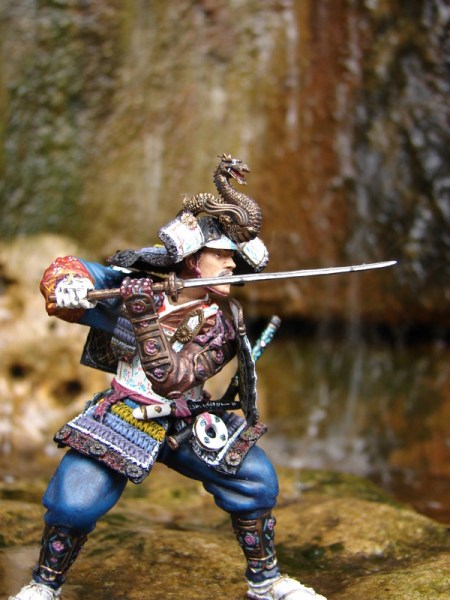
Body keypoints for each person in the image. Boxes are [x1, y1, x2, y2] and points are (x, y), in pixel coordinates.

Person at [10, 156, 327, 600]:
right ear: (193, 260)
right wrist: (68, 285)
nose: (232, 266)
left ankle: (266, 580)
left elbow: (173, 380)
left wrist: (143, 316)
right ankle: (44, 585)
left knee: (255, 478)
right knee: (73, 501)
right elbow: (71, 268)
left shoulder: (222, 326)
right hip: (125, 413)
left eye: (235, 258)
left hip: (187, 415)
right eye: (222, 256)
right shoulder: (133, 288)